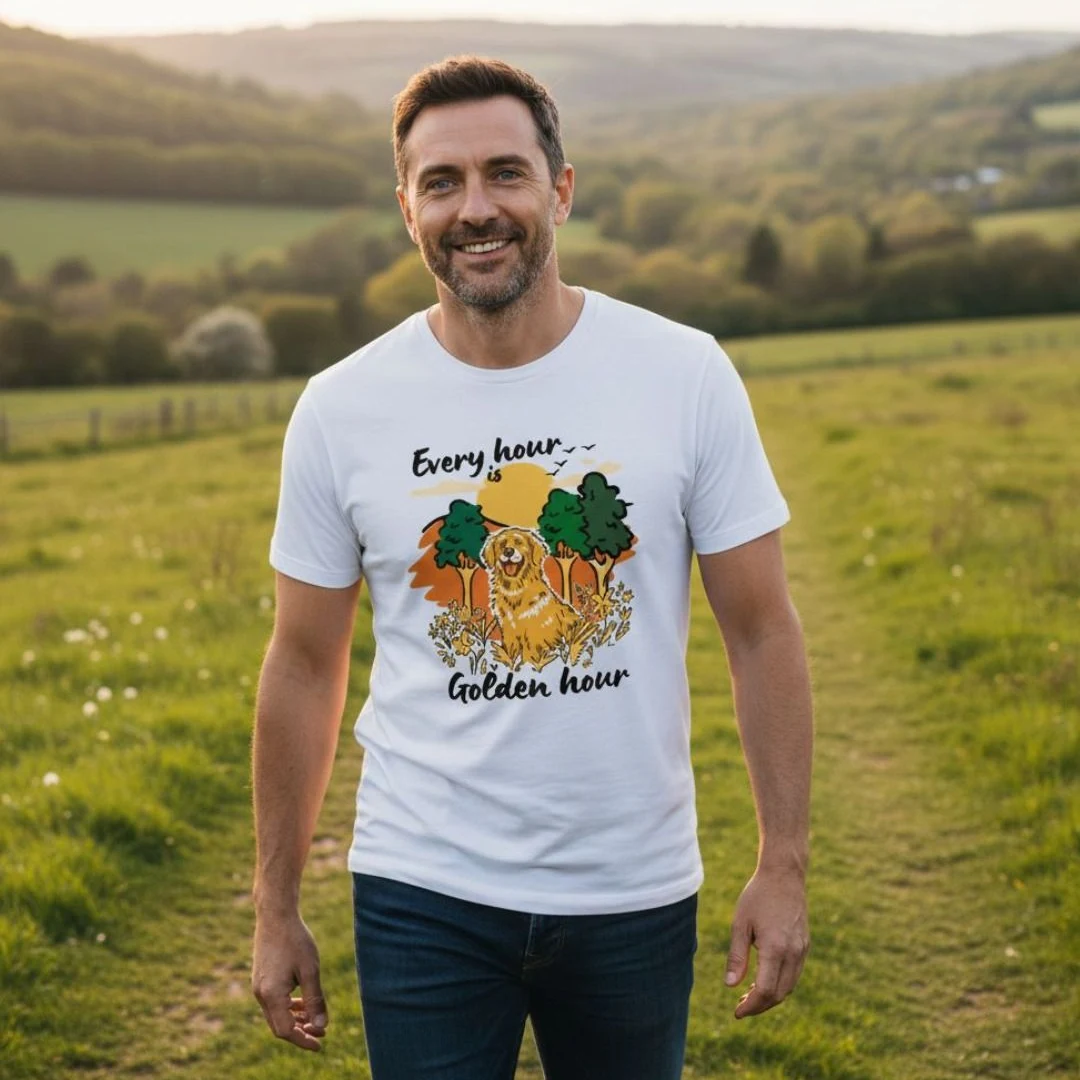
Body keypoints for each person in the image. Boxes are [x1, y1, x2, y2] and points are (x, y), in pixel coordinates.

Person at [251, 55, 812, 1080]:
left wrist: (784, 865)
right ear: (407, 209)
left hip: (632, 886)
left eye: (505, 172)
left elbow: (763, 629)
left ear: (560, 189)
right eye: (441, 182)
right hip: (422, 887)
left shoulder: (683, 372)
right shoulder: (340, 409)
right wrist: (274, 903)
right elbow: (300, 662)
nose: (476, 208)